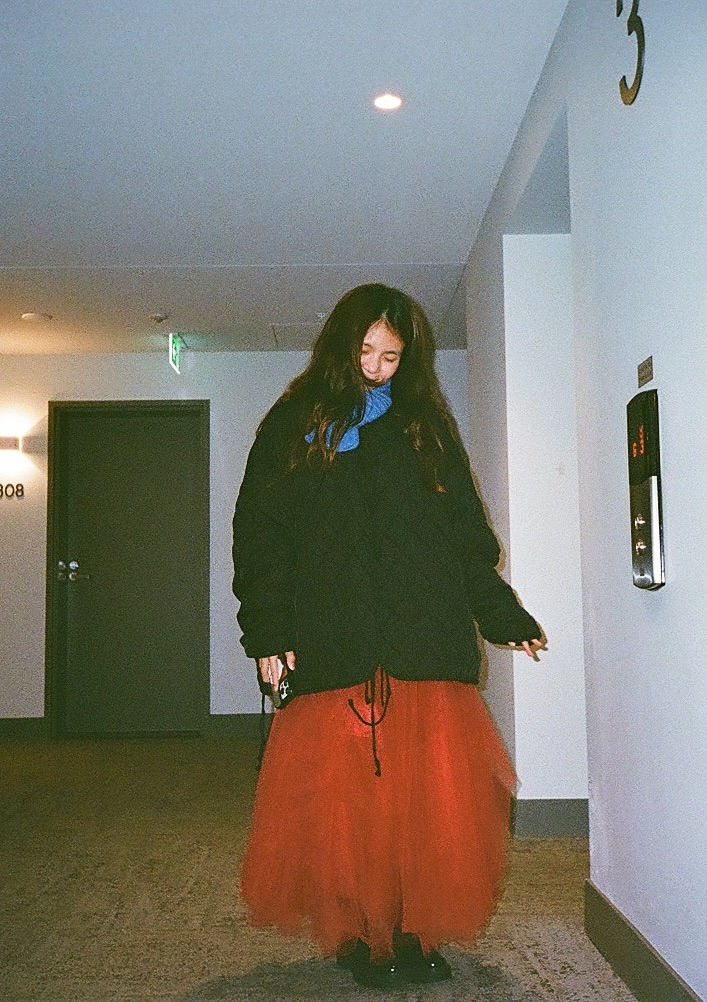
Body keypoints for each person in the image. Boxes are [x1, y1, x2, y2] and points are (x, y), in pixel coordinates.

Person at [232, 283, 544, 989]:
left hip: (421, 639)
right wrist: (267, 632)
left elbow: (464, 536)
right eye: (365, 351)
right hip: (331, 639)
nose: (375, 367)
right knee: (346, 807)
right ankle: (360, 933)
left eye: (390, 357)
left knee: (422, 804)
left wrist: (502, 615)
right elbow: (260, 535)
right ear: (339, 346)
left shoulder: (423, 425)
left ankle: (410, 930)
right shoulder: (292, 424)